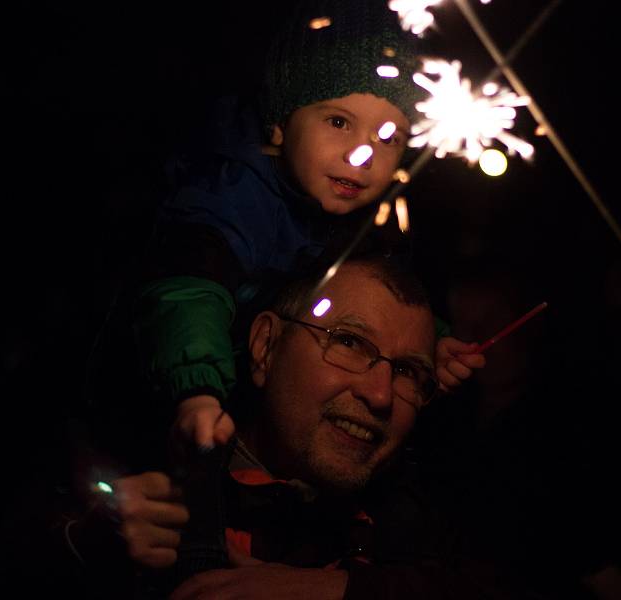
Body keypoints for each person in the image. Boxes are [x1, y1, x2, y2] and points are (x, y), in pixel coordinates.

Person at [85, 0, 485, 469]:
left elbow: (375, 304)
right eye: (338, 122)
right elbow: (187, 291)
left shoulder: (372, 225)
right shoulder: (231, 193)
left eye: (387, 137)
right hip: (144, 405)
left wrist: (426, 345)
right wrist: (197, 392)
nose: (362, 155)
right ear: (279, 124)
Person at [101, 255, 526, 599]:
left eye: (407, 370)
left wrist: (340, 590)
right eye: (349, 342)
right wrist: (86, 549)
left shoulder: (419, 528)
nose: (380, 395)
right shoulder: (154, 482)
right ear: (266, 346)